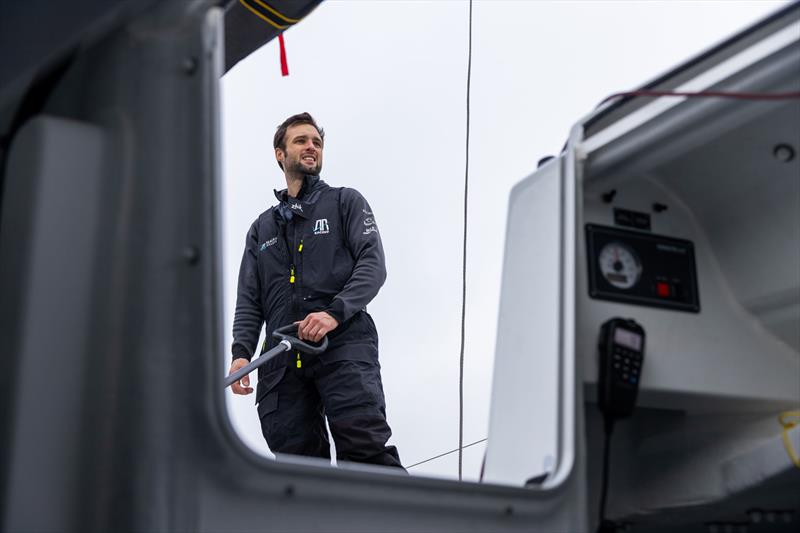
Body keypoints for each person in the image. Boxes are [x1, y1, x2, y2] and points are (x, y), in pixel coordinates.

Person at [227, 112, 403, 469]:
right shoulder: (262, 229)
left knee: (364, 447)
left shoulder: (345, 202)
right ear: (280, 154)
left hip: (343, 343)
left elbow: (373, 265)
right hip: (281, 359)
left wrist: (334, 313)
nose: (311, 147)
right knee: (297, 470)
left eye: (317, 142)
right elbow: (249, 300)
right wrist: (241, 353)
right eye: (301, 141)